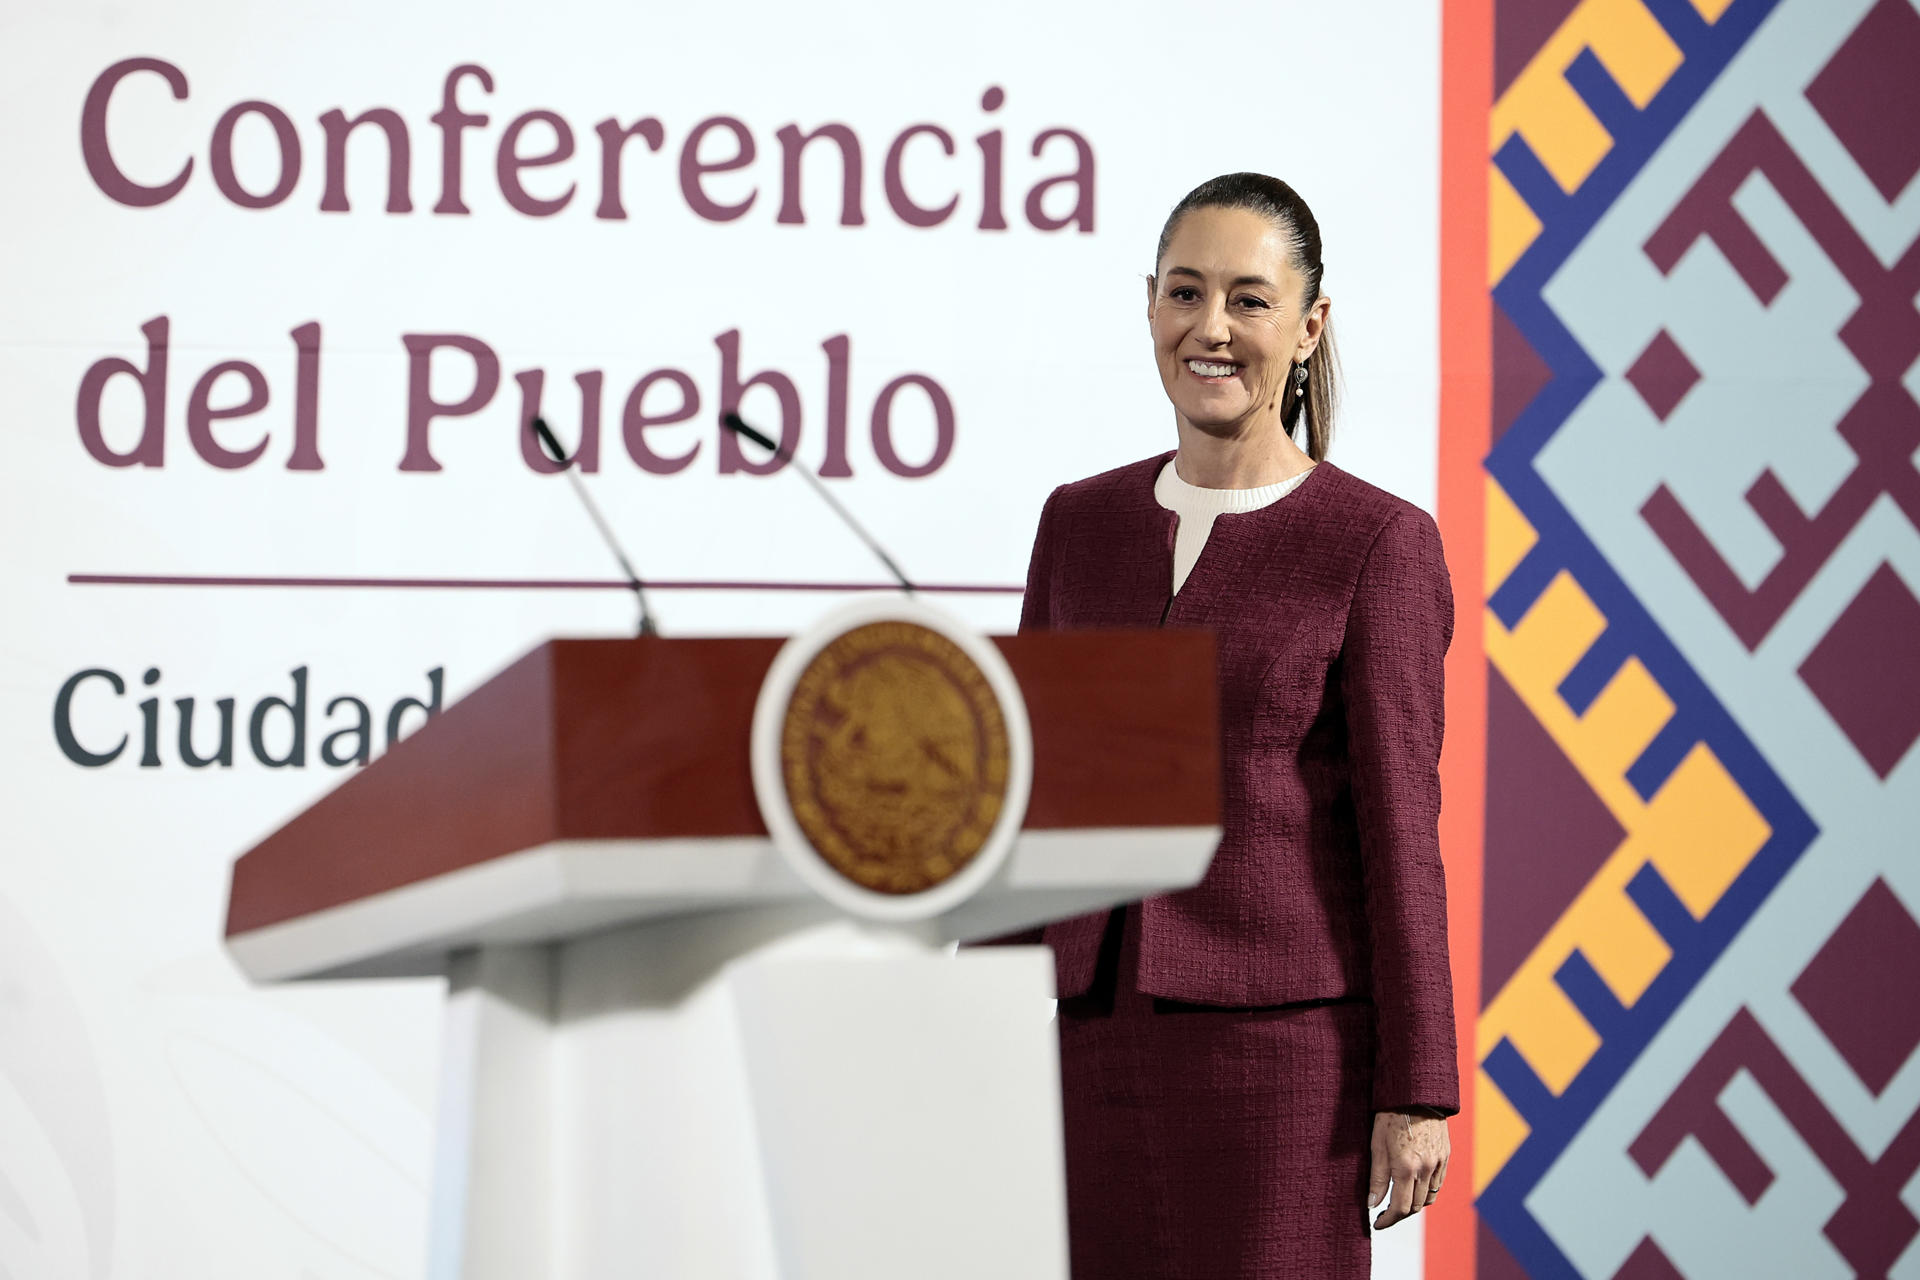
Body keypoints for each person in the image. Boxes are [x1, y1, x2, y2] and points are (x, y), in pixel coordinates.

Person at [1017, 173, 1458, 1278]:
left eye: (1250, 300)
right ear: (1151, 308)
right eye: (1185, 292)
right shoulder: (1078, 523)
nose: (1211, 327)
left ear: (1309, 328)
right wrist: (976, 1025)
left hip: (1282, 1066)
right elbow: (1026, 797)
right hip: (1080, 1045)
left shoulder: (1377, 542)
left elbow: (1402, 838)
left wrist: (1416, 1088)